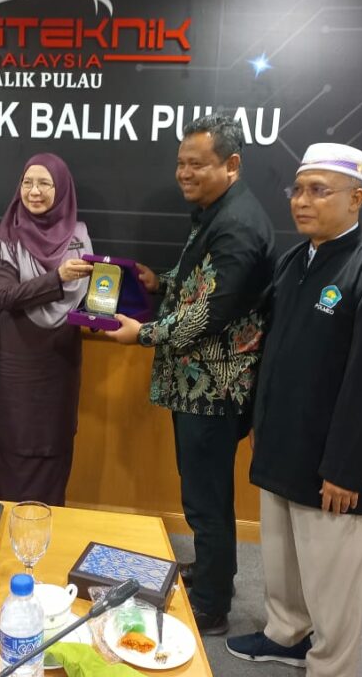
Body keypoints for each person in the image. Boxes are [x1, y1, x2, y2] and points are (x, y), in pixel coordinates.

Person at [226, 143, 362, 676]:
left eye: (318, 190)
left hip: (331, 462)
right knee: (283, 560)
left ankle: (332, 665)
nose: (301, 201)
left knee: (331, 577)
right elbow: (274, 353)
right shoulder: (295, 262)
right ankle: (286, 634)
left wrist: (345, 469)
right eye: (298, 189)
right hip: (281, 445)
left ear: (356, 199)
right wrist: (260, 422)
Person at [105, 115, 276, 636]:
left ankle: (211, 605)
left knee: (206, 498)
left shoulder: (239, 224)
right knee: (204, 491)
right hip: (198, 382)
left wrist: (143, 333)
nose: (184, 173)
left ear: (232, 164)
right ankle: (211, 574)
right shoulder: (217, 211)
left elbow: (210, 313)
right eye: (181, 163)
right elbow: (203, 280)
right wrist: (160, 283)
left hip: (214, 386)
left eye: (196, 164)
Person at [0, 154, 94, 506]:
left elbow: (89, 297)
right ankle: (14, 532)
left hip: (59, 361)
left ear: (61, 189)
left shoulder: (79, 235)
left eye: (45, 183)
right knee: (15, 445)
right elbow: (6, 296)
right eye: (28, 182)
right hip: (17, 362)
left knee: (55, 444)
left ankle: (51, 531)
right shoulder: (7, 237)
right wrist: (57, 278)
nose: (34, 191)